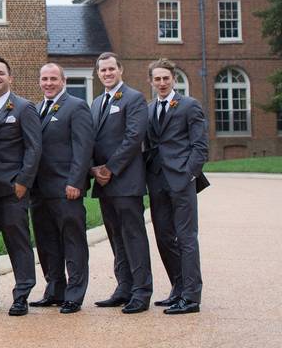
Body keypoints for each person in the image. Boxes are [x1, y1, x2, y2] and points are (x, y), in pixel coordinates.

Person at [89, 52, 153, 314]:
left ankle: (141, 291)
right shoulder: (95, 103)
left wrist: (110, 168)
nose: (107, 74)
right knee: (115, 237)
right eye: (103, 70)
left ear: (120, 70)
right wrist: (93, 169)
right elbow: (91, 140)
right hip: (104, 184)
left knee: (133, 236)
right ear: (98, 73)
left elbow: (133, 137)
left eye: (111, 69)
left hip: (126, 181)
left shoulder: (134, 98)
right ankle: (123, 287)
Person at [29, 63, 94, 314]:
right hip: (40, 190)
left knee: (72, 240)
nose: (48, 83)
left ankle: (74, 294)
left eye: (53, 78)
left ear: (63, 80)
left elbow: (83, 147)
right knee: (47, 242)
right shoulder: (36, 108)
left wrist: (76, 182)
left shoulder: (76, 106)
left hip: (66, 187)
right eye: (44, 78)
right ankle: (54, 289)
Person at [0, 56, 42, 316]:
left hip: (11, 189)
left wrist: (23, 182)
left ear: (10, 78)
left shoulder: (23, 108)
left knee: (17, 242)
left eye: (0, 73)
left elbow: (34, 147)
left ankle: (22, 295)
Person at [145, 58, 207, 315]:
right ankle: (178, 288)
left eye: (165, 78)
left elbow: (200, 146)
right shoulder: (148, 109)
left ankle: (191, 297)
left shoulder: (189, 106)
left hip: (181, 180)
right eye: (157, 79)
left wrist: (189, 175)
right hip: (157, 180)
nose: (161, 83)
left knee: (186, 237)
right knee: (163, 237)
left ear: (174, 79)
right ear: (151, 81)